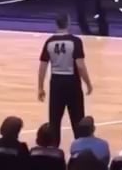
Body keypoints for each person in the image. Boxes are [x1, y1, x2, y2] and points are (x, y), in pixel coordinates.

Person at [38, 12, 94, 144]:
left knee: (54, 120)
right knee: (77, 119)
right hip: (72, 83)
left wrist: (40, 87)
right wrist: (88, 83)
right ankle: (79, 148)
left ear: (56, 24)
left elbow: (42, 67)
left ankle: (52, 149)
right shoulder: (75, 41)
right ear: (68, 23)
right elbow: (80, 66)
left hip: (56, 83)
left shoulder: (49, 42)